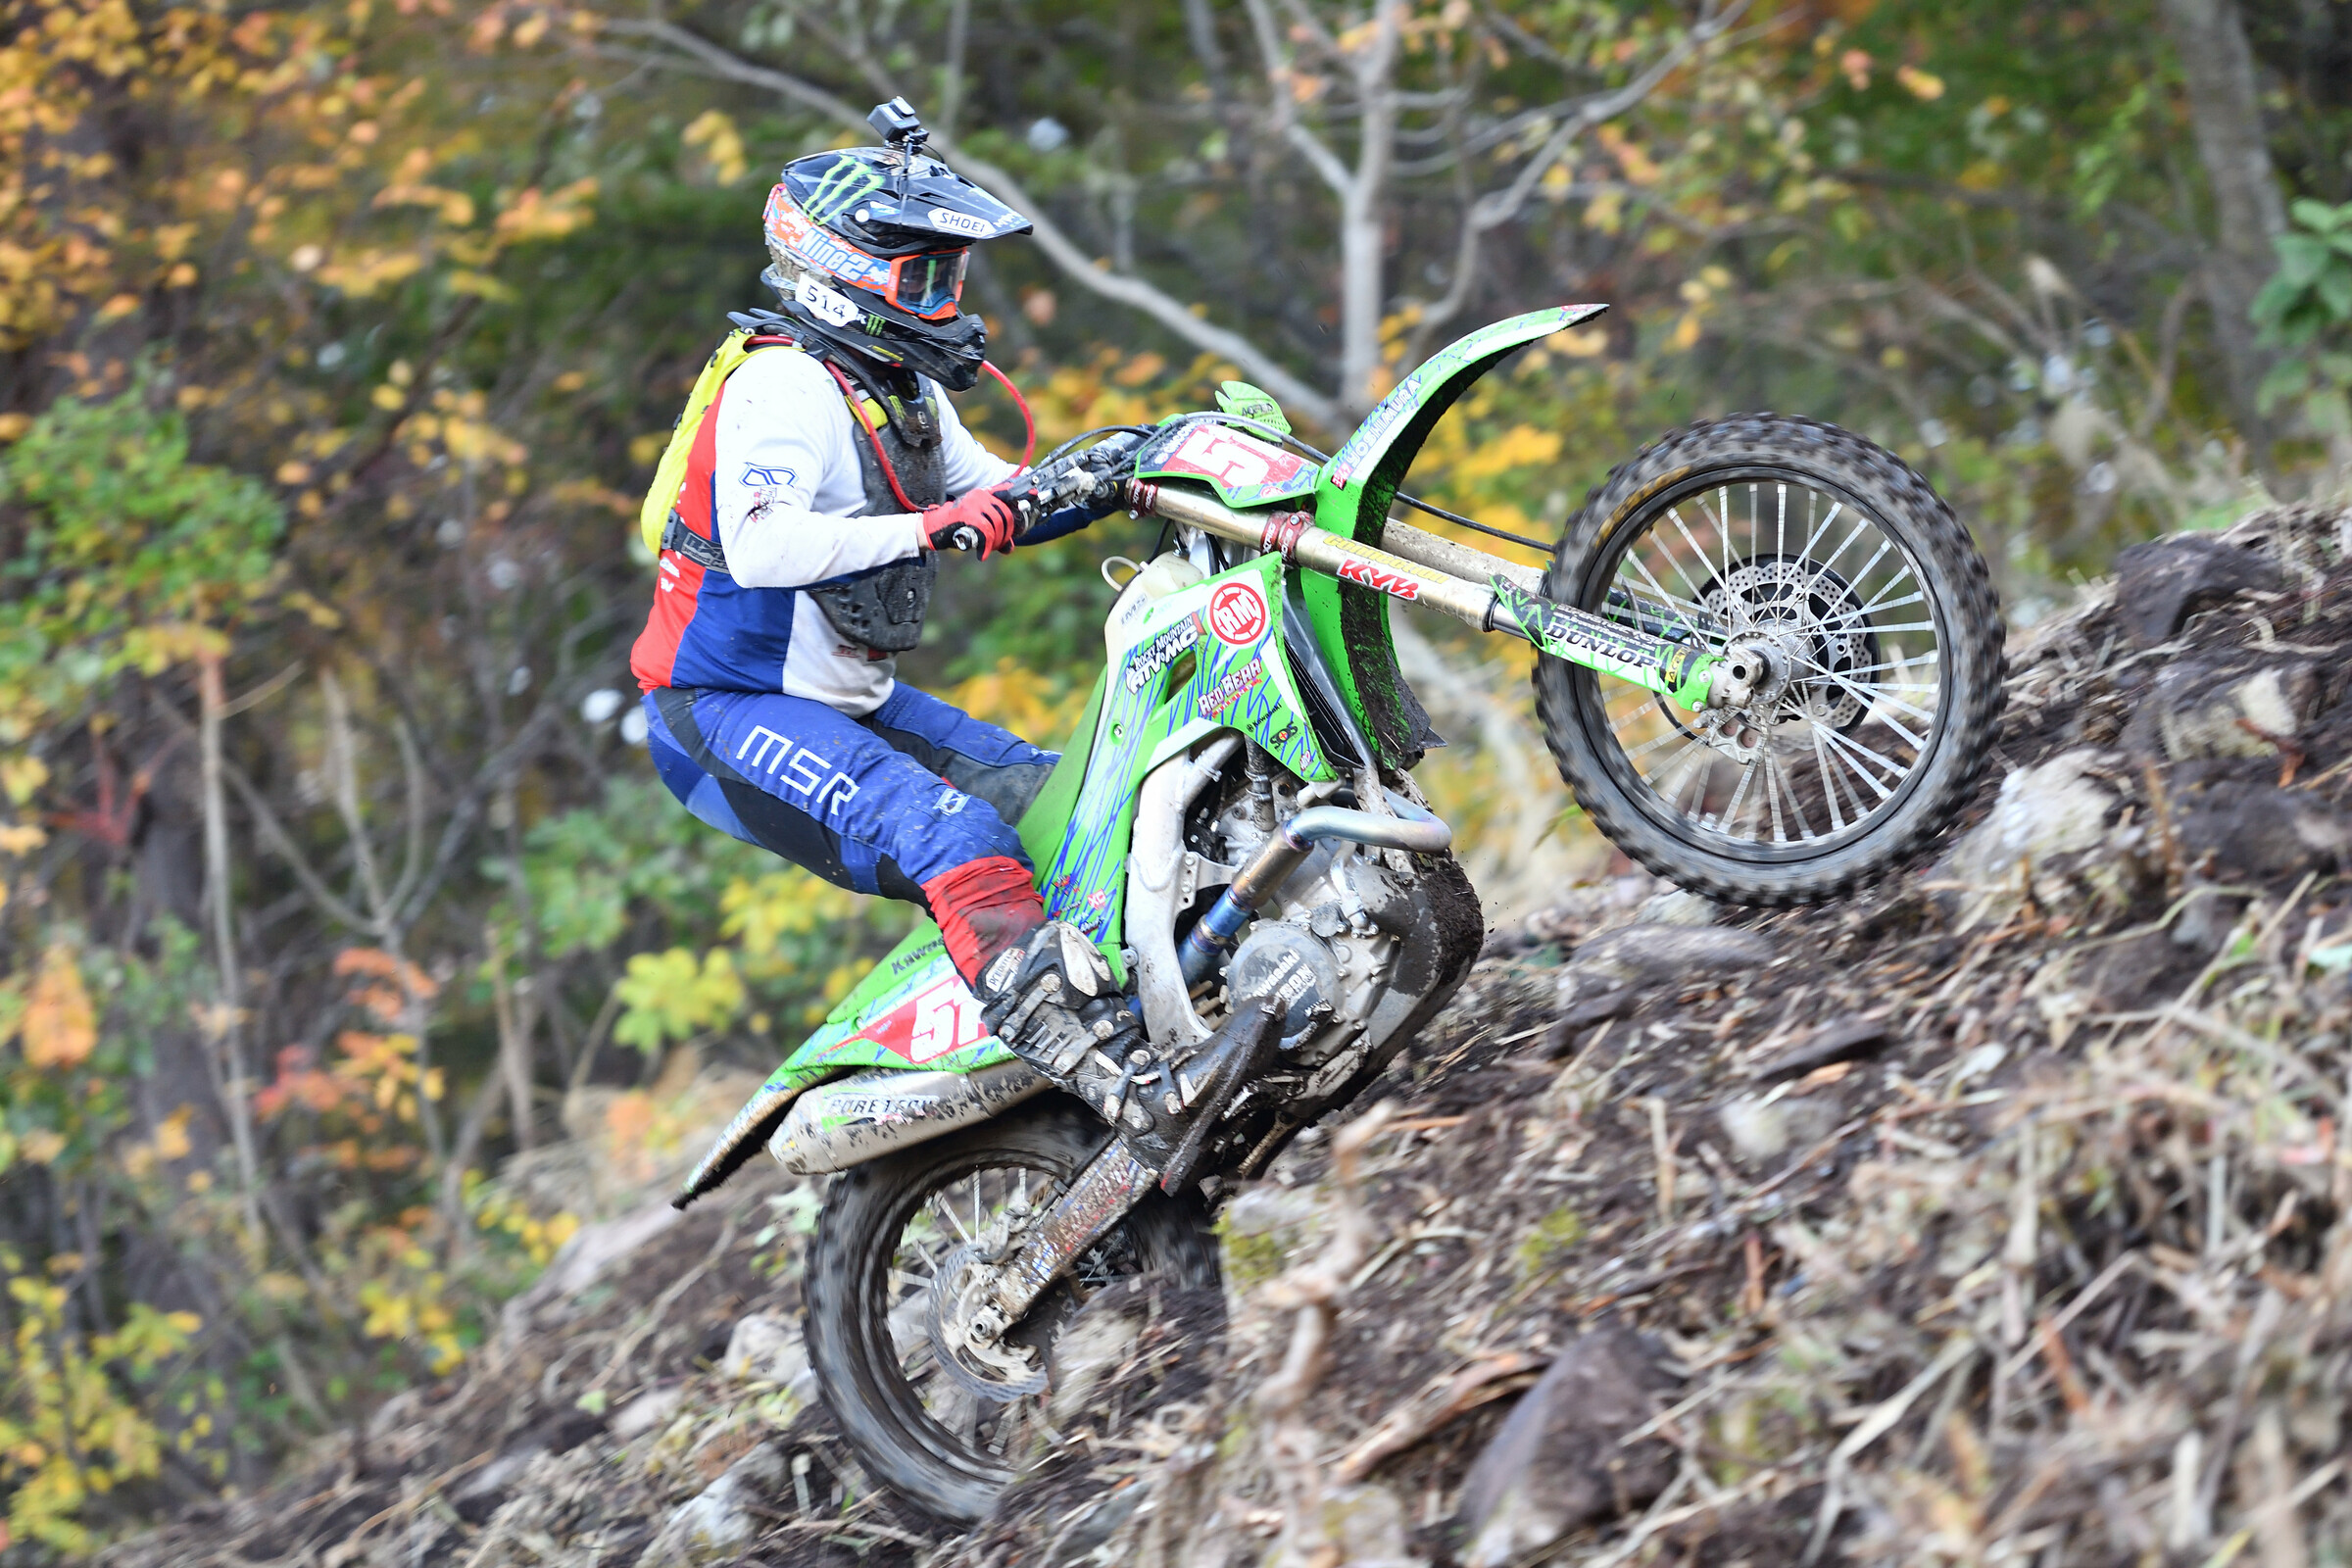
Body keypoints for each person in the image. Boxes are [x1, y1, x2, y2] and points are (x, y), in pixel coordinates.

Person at [629, 100, 1139, 1126]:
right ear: (838, 268)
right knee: (955, 834)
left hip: (849, 700)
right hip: (723, 712)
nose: (947, 299)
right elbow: (767, 546)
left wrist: (1133, 471)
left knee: (1063, 798)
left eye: (950, 276)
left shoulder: (896, 386)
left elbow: (1002, 498)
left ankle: (1134, 1022)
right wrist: (933, 527)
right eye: (925, 278)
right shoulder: (781, 387)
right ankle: (1098, 1066)